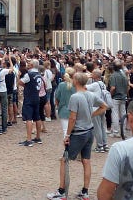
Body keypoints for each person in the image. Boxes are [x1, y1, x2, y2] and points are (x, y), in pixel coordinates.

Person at [47, 72, 107, 200]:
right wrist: (91, 115)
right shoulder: (90, 94)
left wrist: (67, 135)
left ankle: (61, 191)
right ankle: (85, 191)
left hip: (79, 133)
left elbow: (72, 118)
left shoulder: (75, 97)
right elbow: (104, 106)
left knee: (64, 160)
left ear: (76, 82)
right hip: (90, 131)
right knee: (86, 161)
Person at [18, 59, 46, 146]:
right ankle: (38, 137)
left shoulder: (29, 74)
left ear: (33, 65)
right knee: (37, 117)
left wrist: (20, 78)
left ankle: (29, 139)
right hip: (37, 97)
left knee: (28, 118)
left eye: (29, 63)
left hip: (29, 97)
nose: (28, 64)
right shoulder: (39, 74)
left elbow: (20, 82)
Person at [108, 60, 128, 138]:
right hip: (123, 97)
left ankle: (115, 132)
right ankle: (123, 132)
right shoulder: (124, 75)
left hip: (116, 97)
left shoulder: (113, 76)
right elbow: (127, 87)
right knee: (123, 114)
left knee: (115, 114)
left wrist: (109, 95)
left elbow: (113, 88)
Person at [54, 67, 76, 136]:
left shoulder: (61, 85)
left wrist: (58, 106)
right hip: (75, 110)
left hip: (64, 110)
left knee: (65, 131)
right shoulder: (76, 85)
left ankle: (67, 146)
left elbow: (57, 98)